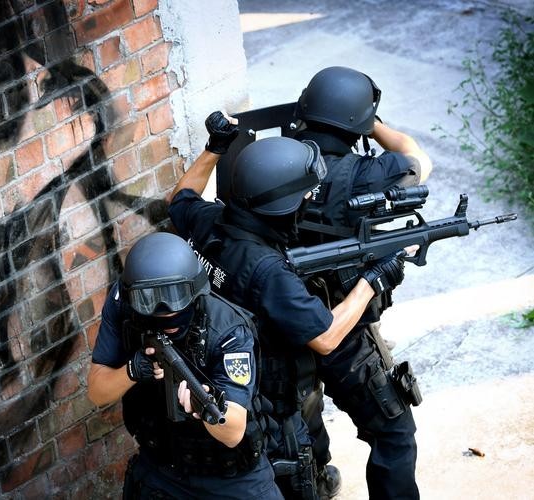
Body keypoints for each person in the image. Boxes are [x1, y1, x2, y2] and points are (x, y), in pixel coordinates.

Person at [167, 120, 408, 499]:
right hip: (267, 406)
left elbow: (180, 198)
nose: (308, 201)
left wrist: (215, 148)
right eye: (303, 196)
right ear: (280, 206)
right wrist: (372, 281)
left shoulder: (210, 222)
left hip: (220, 383)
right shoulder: (268, 271)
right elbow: (326, 337)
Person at [290, 66, 431, 499]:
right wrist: (376, 126)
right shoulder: (367, 174)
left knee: (298, 422)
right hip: (344, 322)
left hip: (282, 315)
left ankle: (317, 479)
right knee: (394, 432)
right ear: (359, 121)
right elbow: (418, 159)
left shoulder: (271, 161)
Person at [87, 232, 283, 499]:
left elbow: (233, 431)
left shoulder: (228, 332)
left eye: (176, 300)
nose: (167, 312)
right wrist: (131, 371)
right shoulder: (124, 305)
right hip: (162, 467)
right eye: (151, 302)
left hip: (230, 476)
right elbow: (97, 392)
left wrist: (202, 408)